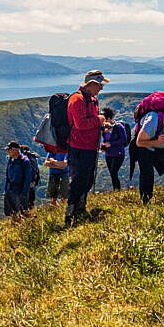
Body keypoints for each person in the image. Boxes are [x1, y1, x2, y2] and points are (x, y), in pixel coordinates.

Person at [65, 70, 111, 226]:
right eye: (100, 85)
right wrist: (98, 120)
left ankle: (80, 208)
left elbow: (90, 122)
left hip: (90, 146)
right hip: (78, 147)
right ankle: (71, 212)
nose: (101, 88)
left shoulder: (92, 99)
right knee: (79, 179)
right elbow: (81, 124)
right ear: (91, 84)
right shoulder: (77, 99)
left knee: (88, 178)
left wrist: (103, 124)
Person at [101, 107, 129, 190]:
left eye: (104, 120)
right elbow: (106, 140)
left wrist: (111, 144)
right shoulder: (104, 128)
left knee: (113, 172)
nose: (103, 122)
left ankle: (117, 190)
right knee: (112, 173)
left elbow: (123, 140)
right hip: (108, 154)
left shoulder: (119, 127)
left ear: (109, 118)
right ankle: (116, 190)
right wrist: (103, 147)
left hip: (118, 154)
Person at [3, 140, 33, 220]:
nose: (8, 151)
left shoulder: (25, 161)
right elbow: (7, 175)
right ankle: (14, 227)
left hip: (20, 190)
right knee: (12, 212)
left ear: (15, 150)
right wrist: (6, 189)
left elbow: (28, 178)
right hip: (10, 190)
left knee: (22, 212)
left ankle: (24, 227)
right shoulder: (10, 160)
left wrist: (24, 192)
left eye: (9, 150)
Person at [20, 144, 41, 209]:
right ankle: (31, 212)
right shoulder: (33, 157)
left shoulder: (22, 158)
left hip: (24, 183)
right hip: (33, 182)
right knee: (31, 200)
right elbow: (37, 170)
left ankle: (23, 214)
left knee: (22, 200)